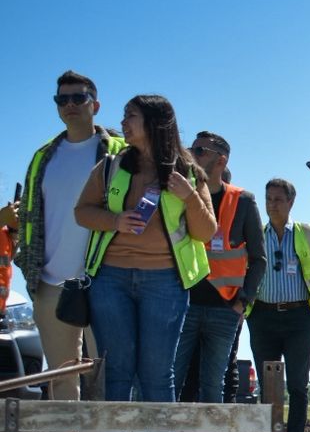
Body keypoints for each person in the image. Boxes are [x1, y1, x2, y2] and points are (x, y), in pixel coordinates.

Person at [74, 95, 216, 402]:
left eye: (130, 116)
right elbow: (81, 212)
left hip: (165, 282)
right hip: (109, 280)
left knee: (157, 373)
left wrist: (190, 197)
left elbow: (206, 232)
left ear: (154, 123)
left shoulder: (189, 174)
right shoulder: (110, 166)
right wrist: (114, 220)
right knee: (116, 369)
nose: (123, 122)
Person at [14, 71, 125, 403]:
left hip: (105, 279)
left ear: (96, 104)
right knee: (61, 376)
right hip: (50, 282)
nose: (70, 105)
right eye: (62, 99)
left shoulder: (119, 151)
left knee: (109, 373)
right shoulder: (43, 157)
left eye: (79, 98)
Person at [173, 133, 266, 414]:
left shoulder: (243, 201)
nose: (192, 156)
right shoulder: (179, 195)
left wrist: (242, 302)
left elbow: (258, 259)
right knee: (172, 380)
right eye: (191, 150)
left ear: (220, 160)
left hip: (224, 309)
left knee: (212, 386)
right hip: (183, 306)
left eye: (199, 151)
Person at [249, 177, 310, 432]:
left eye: (278, 199)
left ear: (291, 203)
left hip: (299, 317)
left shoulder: (306, 234)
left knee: (298, 384)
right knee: (269, 385)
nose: (272, 204)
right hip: (263, 316)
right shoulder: (256, 236)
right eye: (269, 199)